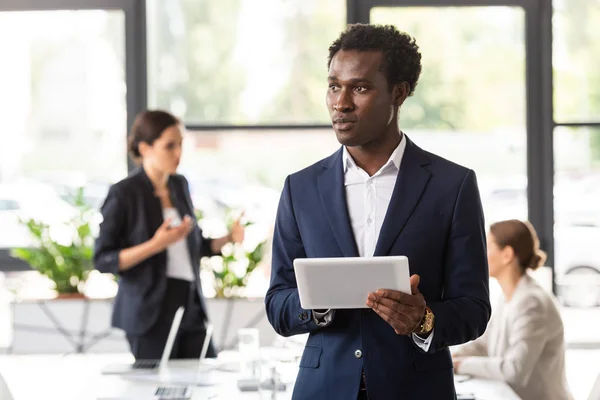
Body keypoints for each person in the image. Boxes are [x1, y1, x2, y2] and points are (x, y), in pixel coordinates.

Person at [265, 24, 491, 400]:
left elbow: (475, 308)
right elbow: (277, 302)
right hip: (322, 390)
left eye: (360, 87)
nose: (341, 102)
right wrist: (318, 302)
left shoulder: (452, 186)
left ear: (398, 93)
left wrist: (423, 320)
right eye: (334, 86)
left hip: (417, 389)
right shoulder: (300, 189)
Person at [94, 110, 244, 360]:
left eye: (181, 145)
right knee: (157, 389)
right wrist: (155, 244)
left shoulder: (180, 185)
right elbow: (103, 259)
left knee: (206, 379)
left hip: (190, 303)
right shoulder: (124, 193)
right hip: (149, 312)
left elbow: (195, 246)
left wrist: (228, 238)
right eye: (169, 146)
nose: (178, 153)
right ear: (145, 148)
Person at [452, 219, 574, 400]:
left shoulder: (531, 302)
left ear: (507, 254)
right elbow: (484, 344)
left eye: (488, 246)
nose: (480, 254)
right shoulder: (509, 295)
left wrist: (461, 365)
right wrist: (450, 358)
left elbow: (514, 369)